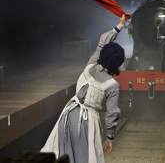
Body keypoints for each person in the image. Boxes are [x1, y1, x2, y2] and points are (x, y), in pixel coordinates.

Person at [41, 15, 127, 163]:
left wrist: (119, 26)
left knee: (63, 155)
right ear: (117, 64)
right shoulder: (112, 85)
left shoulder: (91, 64)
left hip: (67, 114)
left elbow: (102, 41)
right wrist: (110, 138)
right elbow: (111, 114)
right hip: (87, 122)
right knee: (84, 158)